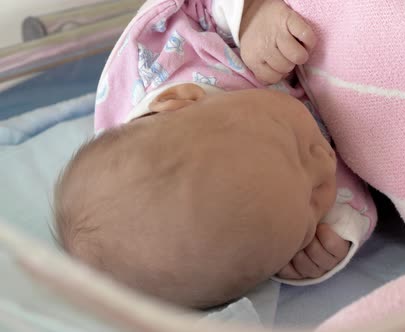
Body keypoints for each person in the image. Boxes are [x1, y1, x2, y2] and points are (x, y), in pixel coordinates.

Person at [53, 0, 376, 309]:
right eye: (312, 201)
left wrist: (248, 16)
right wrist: (330, 241)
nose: (324, 161)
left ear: (183, 98)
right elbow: (356, 199)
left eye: (293, 144)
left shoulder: (168, 56)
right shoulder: (270, 227)